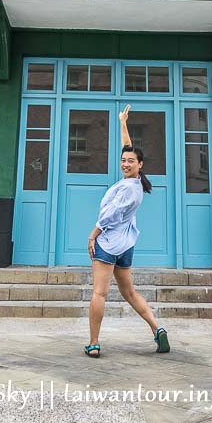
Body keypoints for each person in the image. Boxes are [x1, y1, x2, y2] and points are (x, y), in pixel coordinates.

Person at [84, 104, 169, 358]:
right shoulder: (135, 183)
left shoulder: (129, 190)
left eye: (130, 161)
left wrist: (93, 235)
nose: (125, 163)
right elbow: (128, 147)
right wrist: (123, 124)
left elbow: (110, 215)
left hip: (109, 243)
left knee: (99, 292)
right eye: (123, 160)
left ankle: (94, 343)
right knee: (129, 292)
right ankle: (157, 328)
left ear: (140, 165)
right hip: (126, 246)